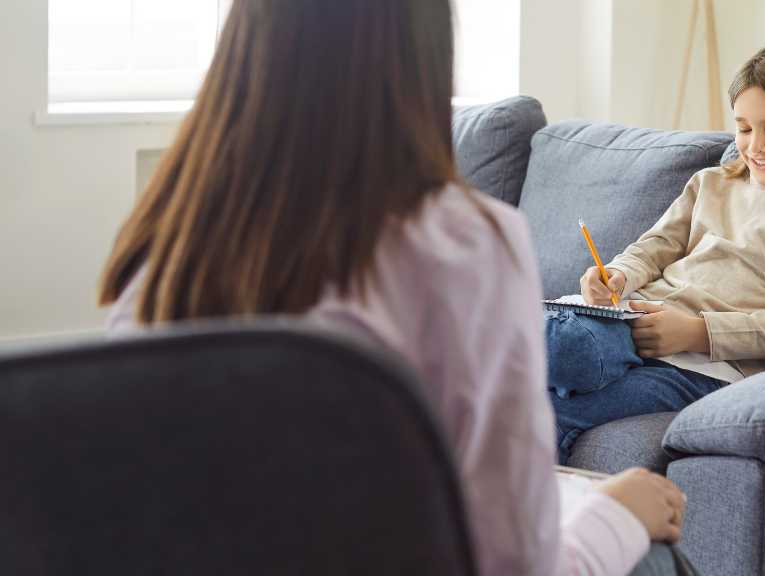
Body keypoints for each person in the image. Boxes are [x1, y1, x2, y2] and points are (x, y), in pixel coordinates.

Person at [98, 0, 684, 574]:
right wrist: (616, 514)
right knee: (651, 553)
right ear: (420, 57)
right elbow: (513, 563)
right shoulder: (464, 243)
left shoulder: (164, 250)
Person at [547, 42, 765, 465]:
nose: (755, 146)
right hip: (631, 323)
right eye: (744, 128)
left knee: (551, 397)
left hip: (705, 369)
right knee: (555, 345)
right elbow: (654, 248)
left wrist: (696, 332)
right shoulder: (710, 183)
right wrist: (618, 274)